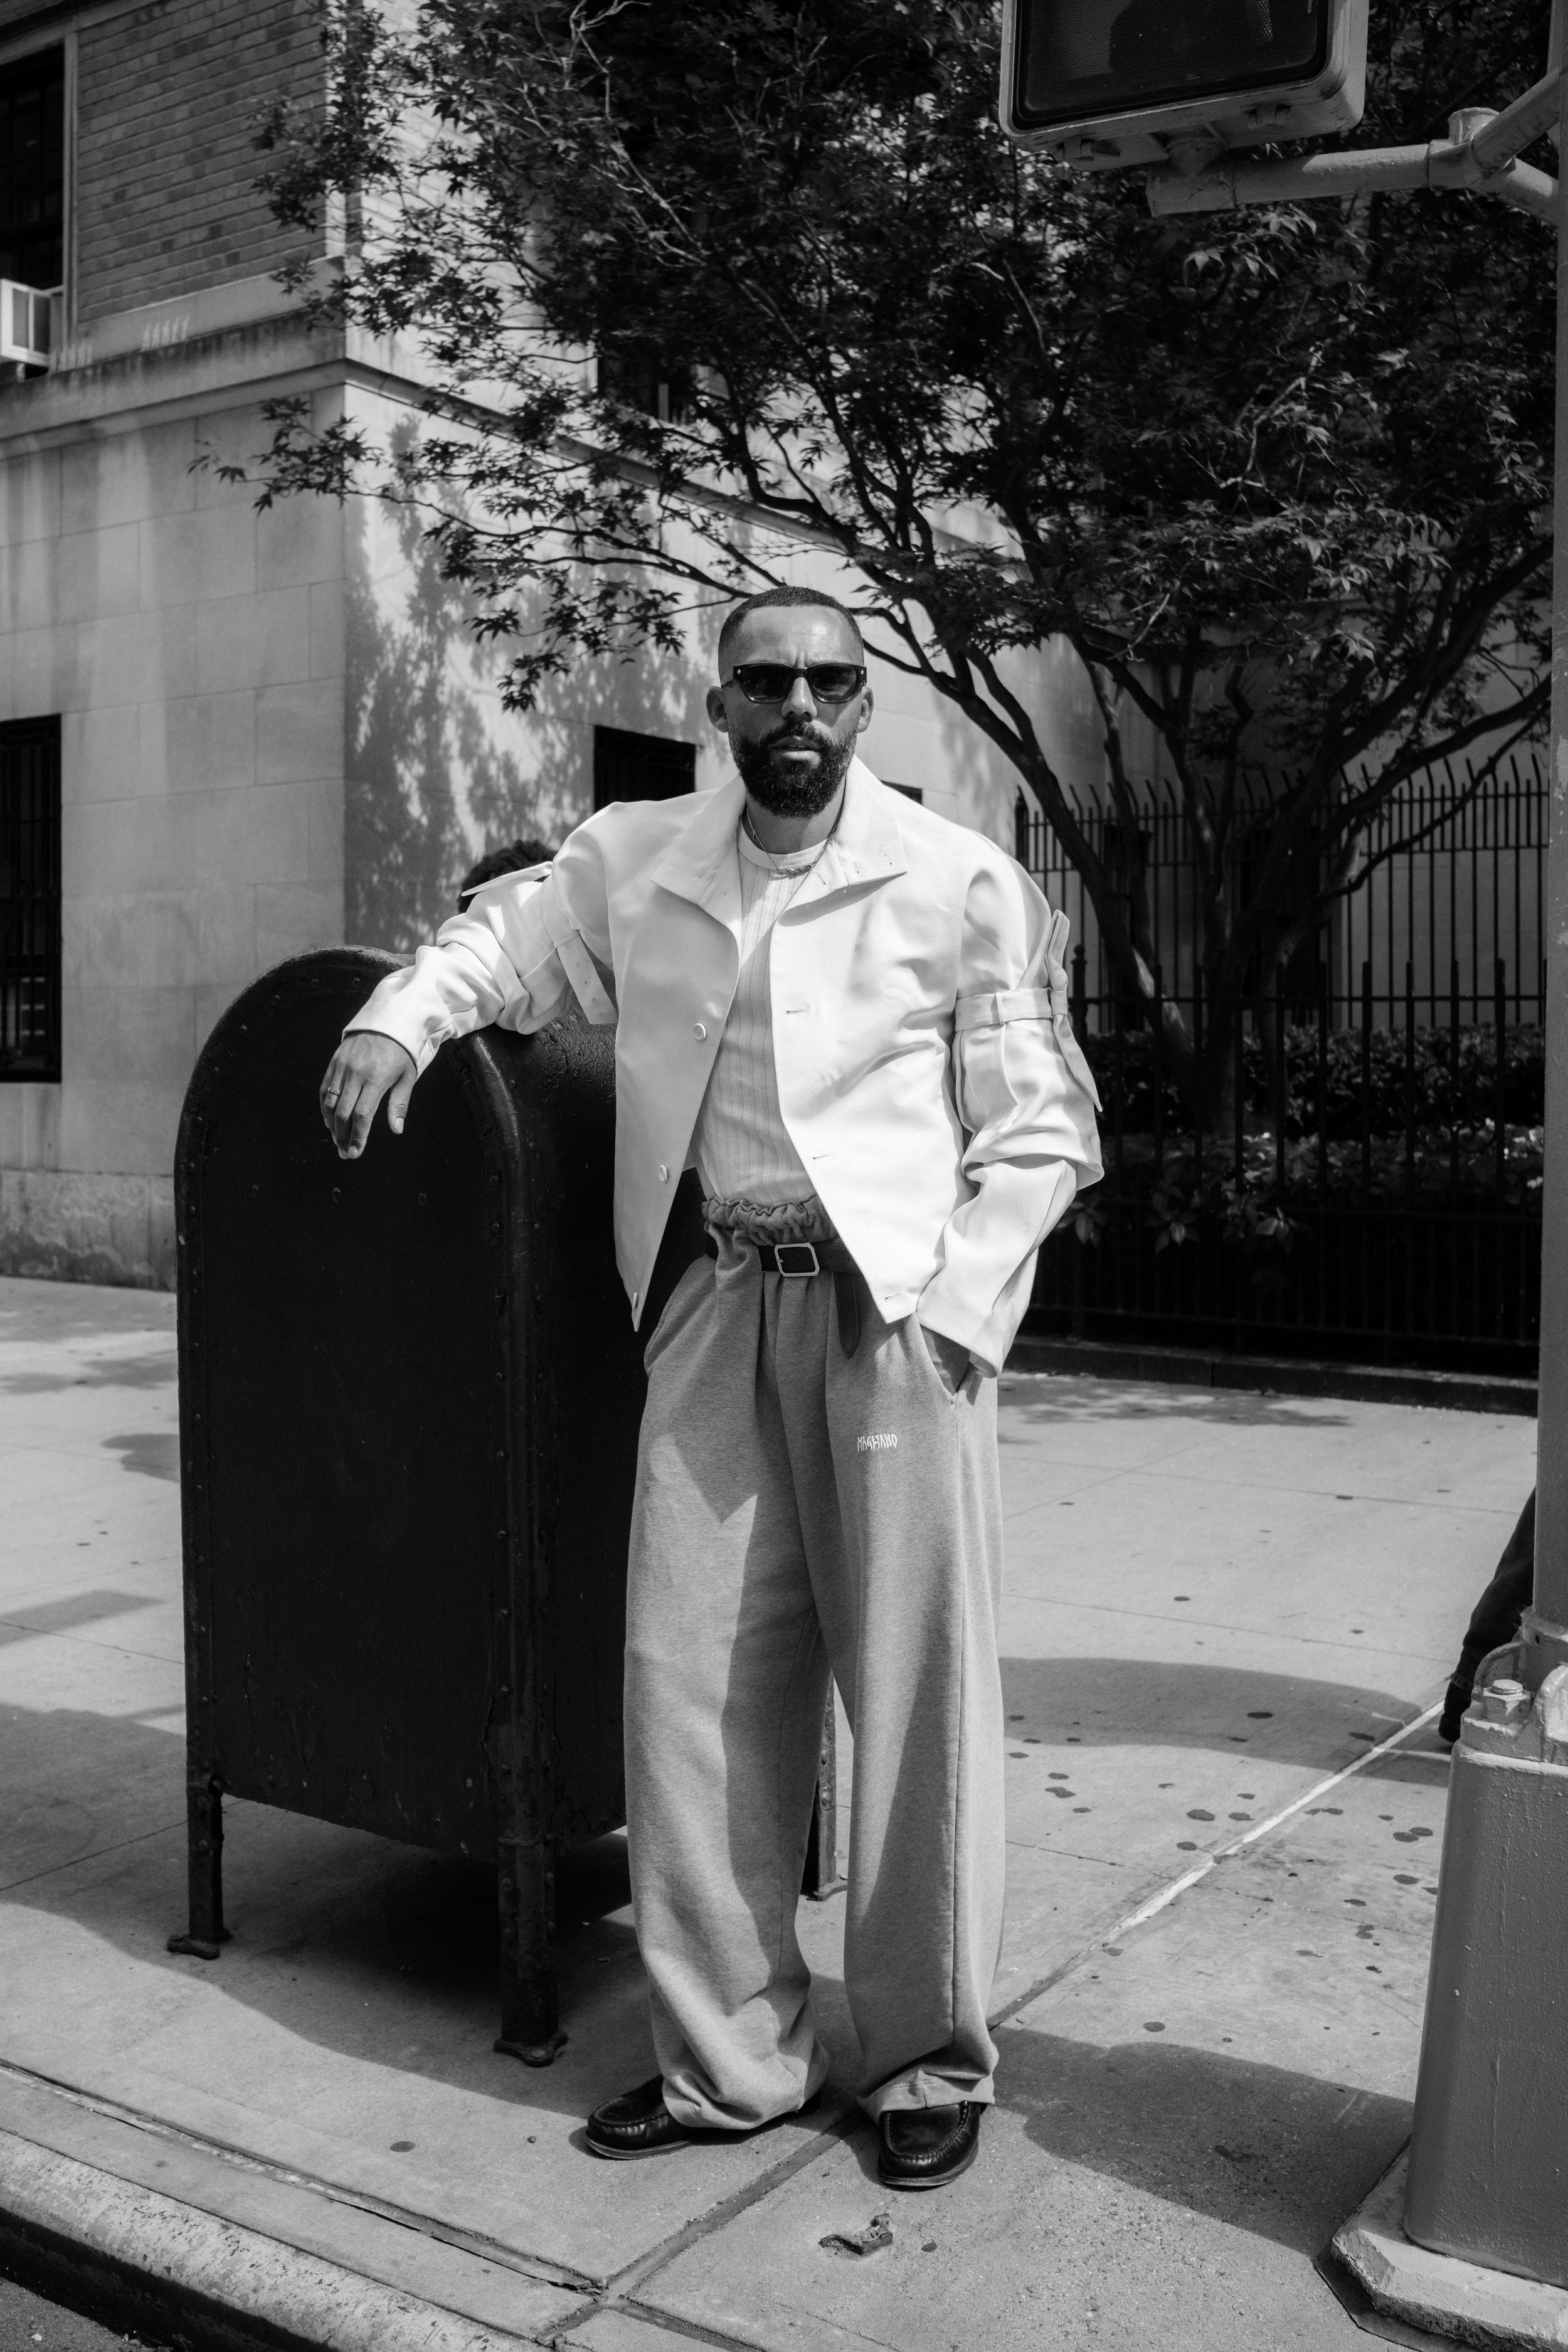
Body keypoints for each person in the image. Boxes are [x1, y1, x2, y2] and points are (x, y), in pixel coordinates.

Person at [319, 585, 1103, 2191]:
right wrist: (397, 1021)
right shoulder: (637, 856)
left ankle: (919, 2061)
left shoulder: (959, 884)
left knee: (910, 1692)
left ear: (863, 704)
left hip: (893, 1321)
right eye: (766, 684)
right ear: (721, 702)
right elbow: (499, 942)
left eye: (827, 681)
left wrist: (957, 1314)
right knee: (682, 1691)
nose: (797, 709)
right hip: (707, 1307)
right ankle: (730, 2061)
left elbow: (1038, 1129)